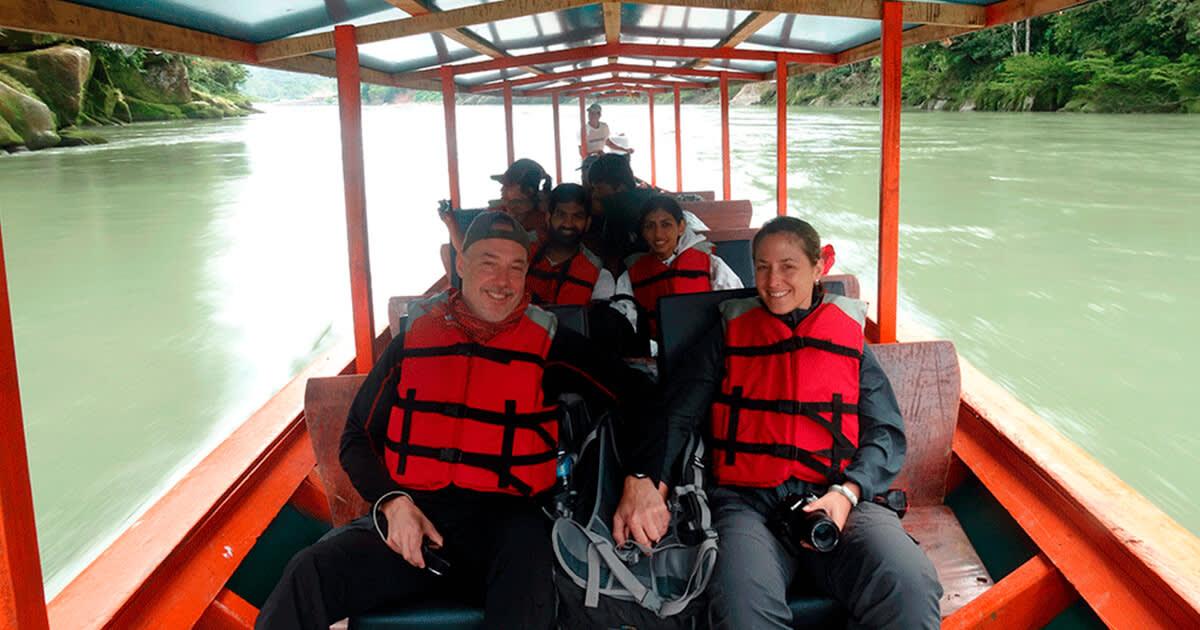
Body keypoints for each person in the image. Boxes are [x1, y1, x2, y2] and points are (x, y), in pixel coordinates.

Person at [256, 212, 670, 630]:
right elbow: (356, 438)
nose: (503, 281)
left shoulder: (550, 345)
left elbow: (642, 395)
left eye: (516, 267)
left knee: (529, 592)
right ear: (461, 264)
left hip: (507, 527)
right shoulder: (412, 342)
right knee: (307, 573)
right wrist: (392, 503)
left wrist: (642, 477)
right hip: (414, 517)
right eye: (489, 263)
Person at [659, 216, 942, 630]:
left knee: (910, 585)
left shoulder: (849, 339)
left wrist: (848, 492)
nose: (773, 281)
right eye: (762, 267)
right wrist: (649, 481)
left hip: (838, 497)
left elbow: (885, 433)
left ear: (818, 266)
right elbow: (679, 413)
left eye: (788, 266)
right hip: (749, 505)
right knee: (742, 611)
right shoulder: (728, 332)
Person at [612, 195, 742, 350]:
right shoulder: (631, 274)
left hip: (706, 349)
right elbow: (626, 322)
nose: (658, 234)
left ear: (681, 227)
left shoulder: (711, 264)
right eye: (650, 226)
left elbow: (735, 307)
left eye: (666, 224)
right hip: (656, 352)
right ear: (643, 232)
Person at [526, 183, 615, 305]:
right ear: (548, 218)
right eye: (561, 215)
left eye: (577, 216)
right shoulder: (522, 252)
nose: (568, 224)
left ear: (588, 223)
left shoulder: (599, 274)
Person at [440, 158, 551, 254]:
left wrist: (451, 223)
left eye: (507, 186)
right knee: (446, 250)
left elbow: (467, 251)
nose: (502, 190)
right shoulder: (497, 211)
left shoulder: (544, 218)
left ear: (529, 191)